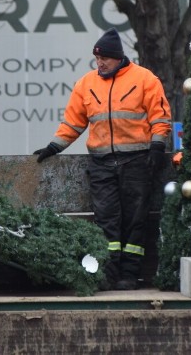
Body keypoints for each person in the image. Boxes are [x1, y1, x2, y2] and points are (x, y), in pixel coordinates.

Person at [34, 27, 172, 291]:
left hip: (137, 161)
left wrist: (157, 147)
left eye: (105, 58)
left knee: (135, 220)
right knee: (106, 220)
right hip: (101, 163)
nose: (100, 63)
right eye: (97, 58)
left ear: (118, 57)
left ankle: (130, 275)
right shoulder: (86, 84)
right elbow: (73, 122)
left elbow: (160, 117)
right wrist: (54, 147)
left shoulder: (145, 79)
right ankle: (108, 275)